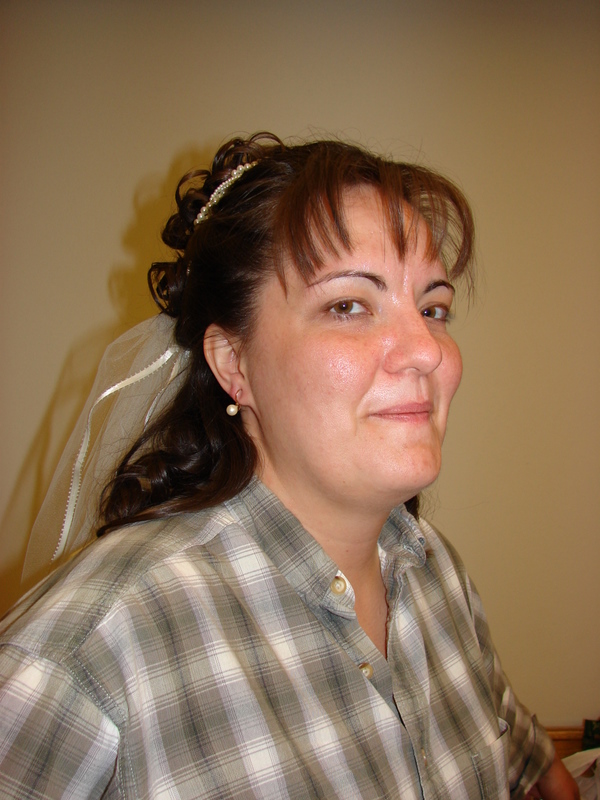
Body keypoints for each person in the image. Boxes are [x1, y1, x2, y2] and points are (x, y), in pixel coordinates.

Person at [0, 133, 578, 799]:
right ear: (234, 365)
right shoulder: (93, 649)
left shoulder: (435, 571)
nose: (426, 349)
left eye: (433, 308)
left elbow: (523, 757)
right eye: (348, 305)